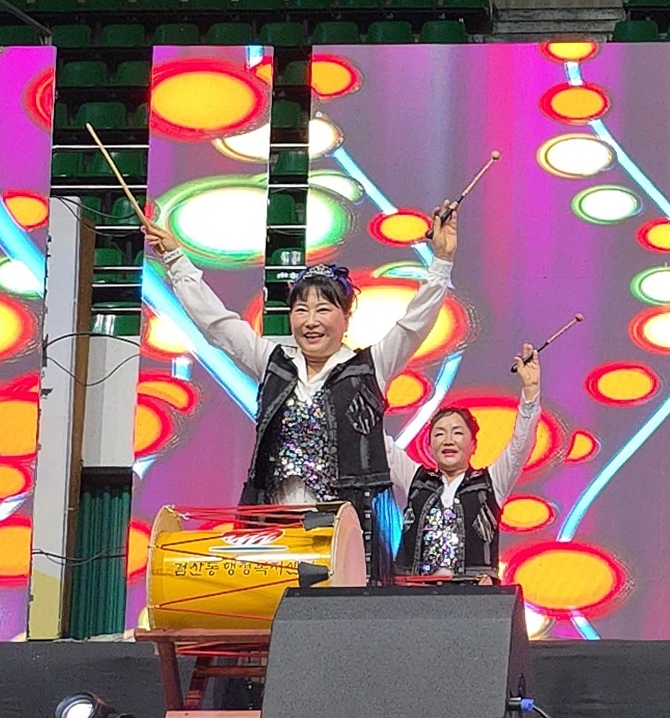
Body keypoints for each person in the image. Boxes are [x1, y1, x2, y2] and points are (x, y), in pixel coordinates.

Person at [146, 198, 460, 567]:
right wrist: (176, 260)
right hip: (277, 532)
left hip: (346, 537)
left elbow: (414, 325)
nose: (311, 321)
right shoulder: (274, 364)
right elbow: (217, 324)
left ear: (346, 317)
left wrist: (441, 261)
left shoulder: (369, 367)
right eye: (301, 310)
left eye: (323, 309)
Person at [398, 345, 548, 581]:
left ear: (473, 445)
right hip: (416, 596)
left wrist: (530, 392)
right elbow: (379, 443)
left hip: (474, 595)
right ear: (429, 446)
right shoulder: (416, 480)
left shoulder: (491, 483)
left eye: (457, 433)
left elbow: (520, 446)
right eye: (439, 434)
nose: (448, 440)